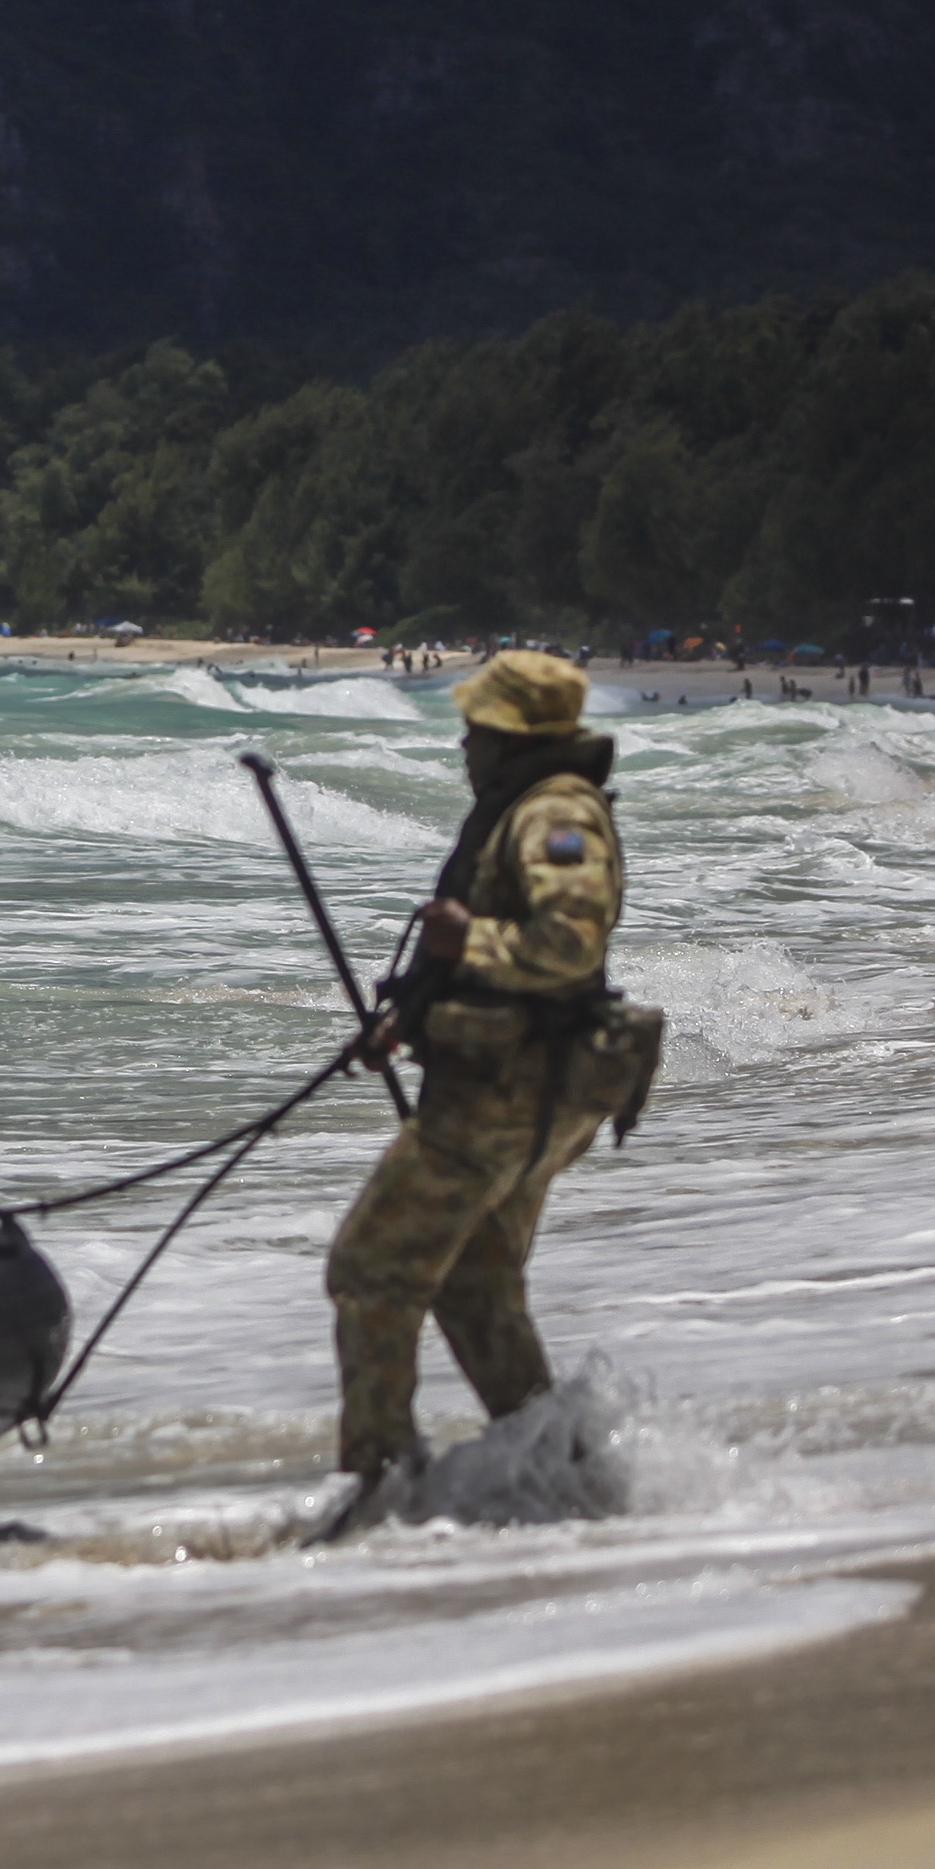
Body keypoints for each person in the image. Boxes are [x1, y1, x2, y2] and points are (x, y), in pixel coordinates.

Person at [323, 650, 667, 1519]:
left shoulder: (555, 813)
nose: (464, 744)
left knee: (371, 1269)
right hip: (520, 1085)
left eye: (476, 729)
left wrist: (466, 944)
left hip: (511, 1093)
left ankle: (377, 1486)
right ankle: (566, 1476)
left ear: (514, 736)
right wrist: (412, 1018)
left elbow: (571, 944)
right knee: (476, 1283)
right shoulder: (525, 806)